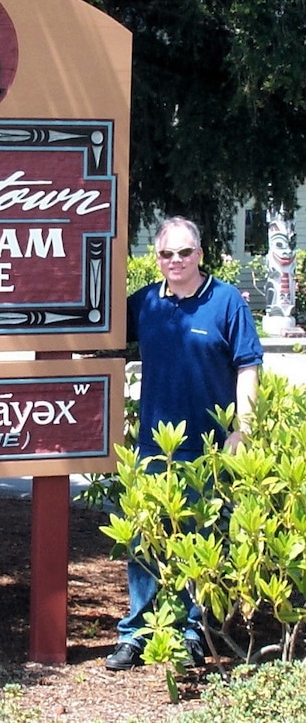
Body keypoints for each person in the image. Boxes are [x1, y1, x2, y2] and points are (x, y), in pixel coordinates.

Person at [105, 216, 263, 671]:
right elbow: (98, 332)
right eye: (167, 254)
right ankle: (138, 634)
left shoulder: (227, 301)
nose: (176, 261)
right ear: (157, 259)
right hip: (154, 450)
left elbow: (248, 366)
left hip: (210, 450)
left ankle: (195, 633)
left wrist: (243, 429)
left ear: (201, 254)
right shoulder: (146, 304)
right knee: (143, 542)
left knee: (203, 541)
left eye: (185, 252)